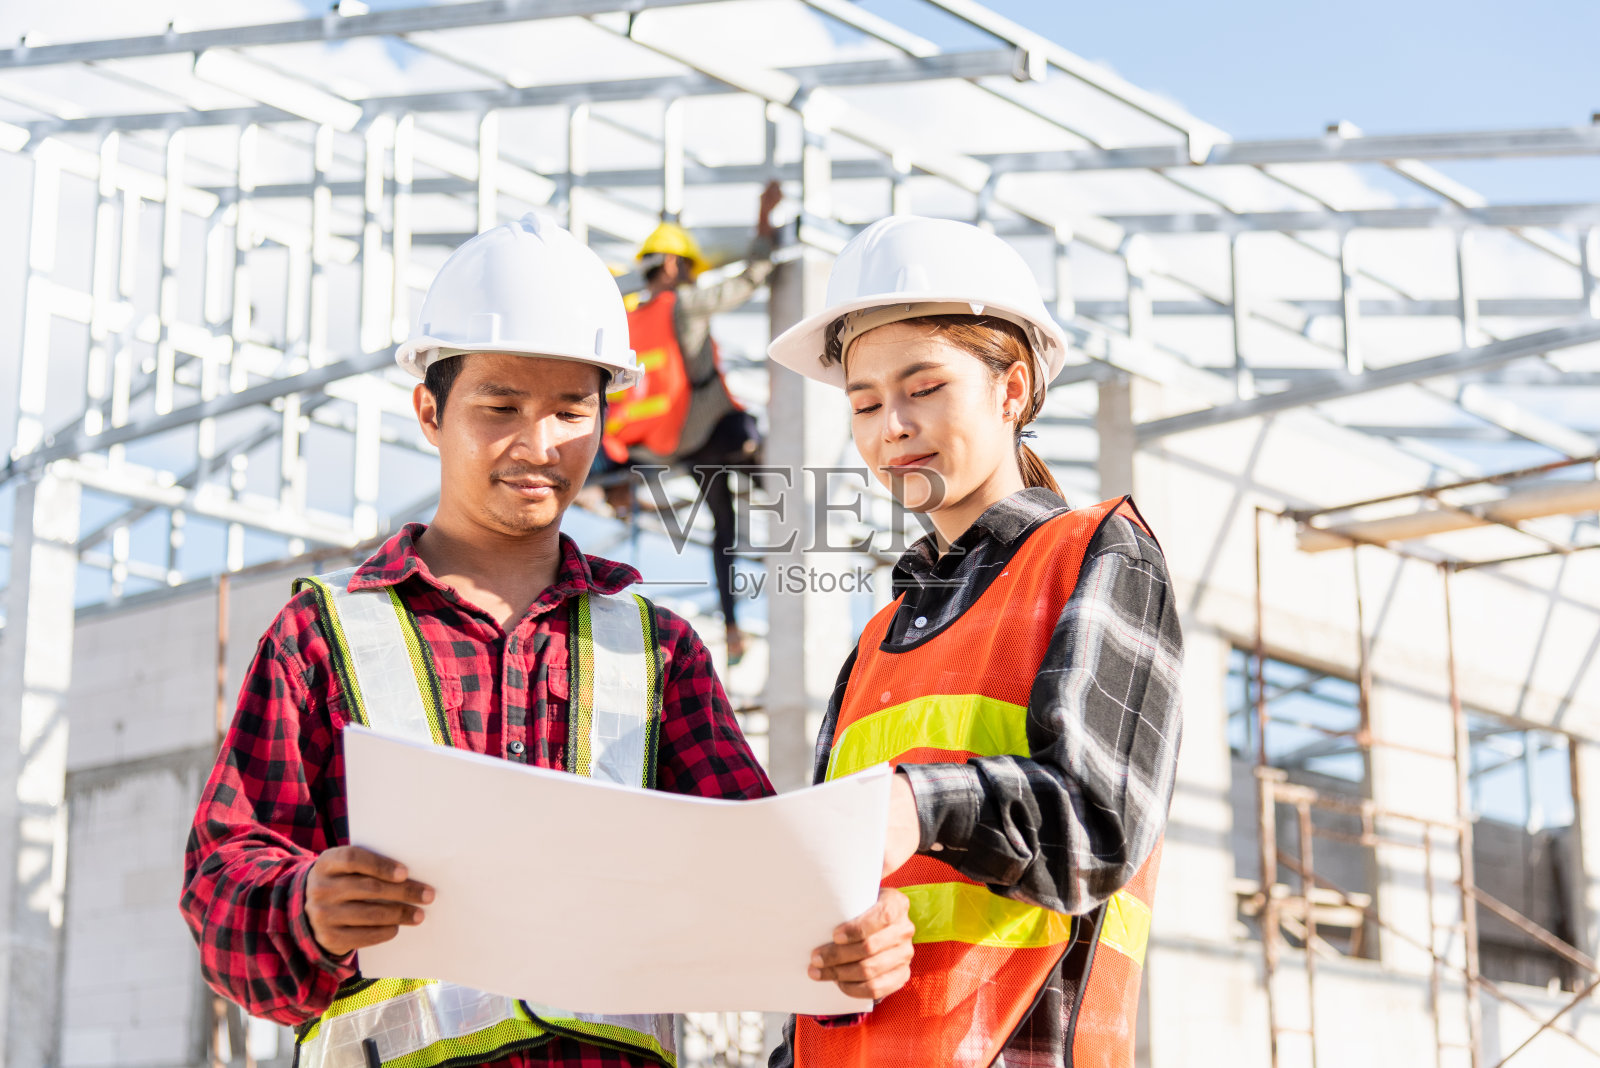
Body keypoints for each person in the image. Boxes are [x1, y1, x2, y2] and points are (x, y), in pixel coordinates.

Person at [179, 213, 912, 1068]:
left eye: (571, 410)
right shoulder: (324, 637)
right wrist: (304, 905)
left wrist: (855, 931)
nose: (539, 445)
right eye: (500, 408)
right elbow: (221, 876)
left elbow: (759, 881)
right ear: (430, 410)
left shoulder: (658, 653)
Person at [766, 215, 1185, 1068]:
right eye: (865, 402)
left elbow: (1097, 825)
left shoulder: (1095, 553)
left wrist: (917, 806)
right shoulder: (879, 639)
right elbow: (834, 911)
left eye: (924, 387)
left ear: (1011, 388)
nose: (892, 427)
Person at [598, 183, 783, 664]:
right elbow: (751, 277)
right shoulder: (684, 304)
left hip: (675, 447)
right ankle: (808, 541)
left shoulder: (627, 322)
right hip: (722, 435)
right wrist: (764, 224)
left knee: (725, 534)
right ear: (676, 265)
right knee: (786, 496)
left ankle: (732, 627)